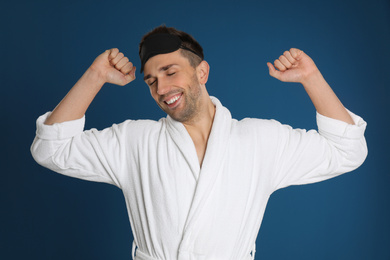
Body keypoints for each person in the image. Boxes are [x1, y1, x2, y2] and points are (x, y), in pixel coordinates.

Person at [31, 25, 368, 260]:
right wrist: (95, 76)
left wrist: (311, 78)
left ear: (202, 72)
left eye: (170, 71)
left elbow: (346, 151)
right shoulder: (134, 142)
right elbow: (52, 149)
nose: (161, 89)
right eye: (151, 81)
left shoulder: (259, 140)